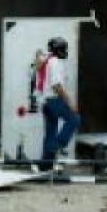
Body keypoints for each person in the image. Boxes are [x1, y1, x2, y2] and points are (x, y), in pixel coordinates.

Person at [38, 36, 81, 171]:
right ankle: (58, 145)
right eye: (64, 48)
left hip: (45, 102)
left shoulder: (48, 61)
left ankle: (45, 166)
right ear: (59, 50)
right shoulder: (55, 62)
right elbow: (57, 86)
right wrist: (69, 103)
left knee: (50, 133)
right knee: (74, 119)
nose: (65, 51)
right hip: (54, 100)